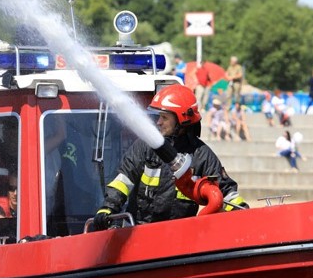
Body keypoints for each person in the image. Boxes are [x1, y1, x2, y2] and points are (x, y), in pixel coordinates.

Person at [92, 83, 247, 230]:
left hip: (180, 239)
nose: (158, 122)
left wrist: (245, 215)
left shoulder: (202, 156)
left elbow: (227, 193)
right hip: (140, 234)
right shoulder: (145, 146)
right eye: (159, 116)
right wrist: (108, 208)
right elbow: (124, 180)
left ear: (182, 121)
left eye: (164, 118)